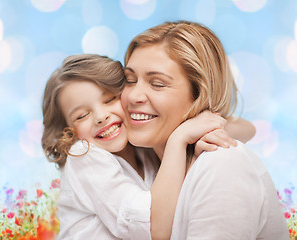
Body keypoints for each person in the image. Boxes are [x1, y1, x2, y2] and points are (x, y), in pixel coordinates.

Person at [42, 54, 255, 239]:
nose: (100, 117)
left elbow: (247, 130)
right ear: (68, 134)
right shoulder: (84, 155)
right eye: (81, 115)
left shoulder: (143, 146)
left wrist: (197, 124)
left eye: (109, 99)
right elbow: (154, 230)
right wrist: (179, 138)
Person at [121, 20, 289, 239]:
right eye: (129, 80)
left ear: (199, 94)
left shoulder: (222, 165)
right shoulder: (144, 163)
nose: (134, 96)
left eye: (158, 84)